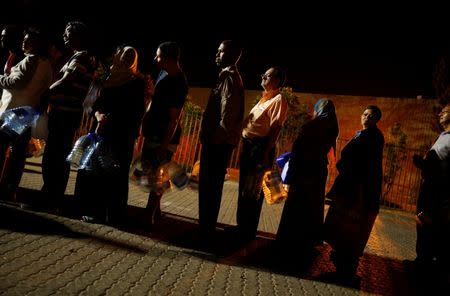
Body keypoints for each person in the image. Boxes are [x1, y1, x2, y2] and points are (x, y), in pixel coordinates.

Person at [75, 45, 146, 225]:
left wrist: (111, 119)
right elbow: (94, 103)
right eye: (125, 54)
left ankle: (115, 216)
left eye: (131, 56)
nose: (127, 58)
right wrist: (98, 116)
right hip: (102, 131)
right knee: (99, 172)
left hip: (122, 135)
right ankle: (97, 212)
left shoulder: (136, 81)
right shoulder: (109, 77)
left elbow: (136, 111)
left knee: (117, 175)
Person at [227, 66, 288, 241]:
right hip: (249, 146)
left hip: (259, 148)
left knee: (253, 190)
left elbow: (276, 128)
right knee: (245, 188)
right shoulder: (263, 99)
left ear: (276, 81)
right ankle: (241, 226)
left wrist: (266, 152)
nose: (262, 77)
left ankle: (247, 231)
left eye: (267, 75)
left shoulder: (279, 99)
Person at [324, 105, 384, 281]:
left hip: (358, 187)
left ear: (376, 120)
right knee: (343, 222)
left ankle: (347, 263)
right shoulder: (362, 133)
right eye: (365, 114)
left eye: (371, 116)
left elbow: (364, 162)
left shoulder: (374, 136)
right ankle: (341, 258)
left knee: (352, 225)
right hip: (350, 184)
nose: (366, 118)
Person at [41, 21, 95, 210]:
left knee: (54, 155)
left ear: (79, 37)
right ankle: (52, 196)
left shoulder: (81, 58)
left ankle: (50, 197)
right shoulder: (80, 57)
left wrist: (46, 93)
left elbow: (67, 80)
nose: (64, 36)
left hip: (65, 113)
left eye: (68, 33)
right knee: (58, 154)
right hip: (67, 113)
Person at [276, 98, 339, 253]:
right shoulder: (333, 127)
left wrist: (289, 176)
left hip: (304, 169)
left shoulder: (312, 125)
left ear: (318, 109)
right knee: (313, 205)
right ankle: (308, 239)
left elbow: (298, 149)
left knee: (297, 205)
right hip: (318, 170)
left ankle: (290, 239)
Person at [198, 40, 245, 239]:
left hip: (217, 143)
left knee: (210, 186)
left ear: (232, 54)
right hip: (217, 142)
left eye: (221, 51)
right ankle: (205, 227)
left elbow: (228, 116)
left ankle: (206, 230)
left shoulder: (230, 78)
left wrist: (214, 140)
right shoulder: (226, 76)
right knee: (209, 186)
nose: (216, 54)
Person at [0, 28, 53, 200]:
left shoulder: (31, 60)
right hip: (28, 113)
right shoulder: (46, 64)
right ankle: (10, 189)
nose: (24, 42)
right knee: (18, 153)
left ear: (37, 44)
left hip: (16, 113)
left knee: (6, 149)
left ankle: (6, 187)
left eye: (28, 40)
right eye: (24, 39)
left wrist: (1, 79)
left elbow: (17, 82)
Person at [141, 41, 188, 226]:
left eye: (158, 55)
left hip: (164, 136)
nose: (155, 58)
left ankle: (149, 215)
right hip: (153, 131)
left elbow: (174, 118)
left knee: (157, 175)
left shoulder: (179, 82)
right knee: (152, 172)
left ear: (168, 59)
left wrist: (163, 144)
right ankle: (156, 211)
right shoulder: (163, 73)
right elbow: (157, 99)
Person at [407, 103, 450, 283]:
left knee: (429, 224)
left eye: (445, 111)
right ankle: (421, 260)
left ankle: (427, 266)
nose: (440, 113)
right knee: (422, 223)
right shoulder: (443, 136)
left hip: (438, 191)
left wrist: (427, 166)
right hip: (430, 187)